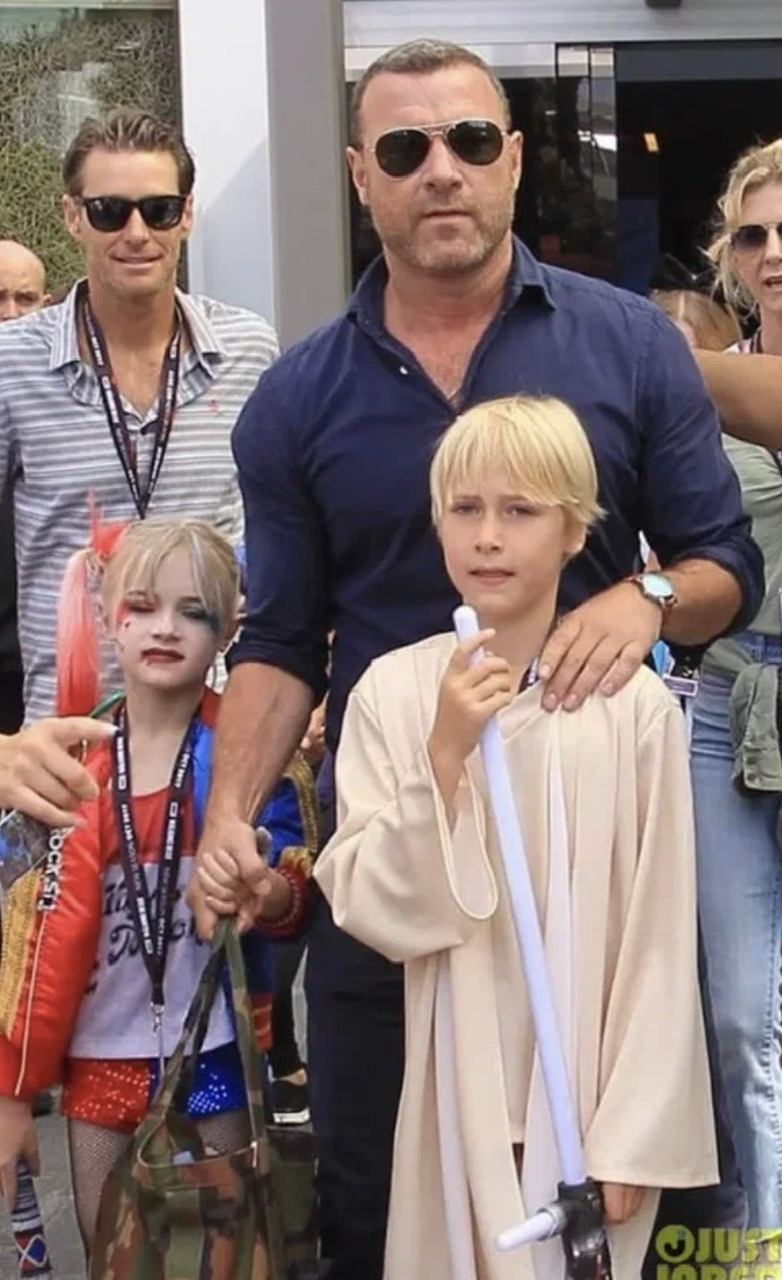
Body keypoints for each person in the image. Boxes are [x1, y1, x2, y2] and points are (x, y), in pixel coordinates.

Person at [190, 40, 761, 1278]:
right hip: (398, 831)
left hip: (578, 829)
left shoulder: (628, 346)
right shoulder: (297, 398)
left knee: (584, 1195)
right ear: (361, 175)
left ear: (511, 159)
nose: (438, 170)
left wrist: (647, 595)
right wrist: (227, 812)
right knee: (375, 1197)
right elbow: (279, 637)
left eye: (467, 140)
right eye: (404, 148)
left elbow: (723, 563)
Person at [314, 394, 717, 1280]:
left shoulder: (632, 709)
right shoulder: (394, 694)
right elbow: (370, 902)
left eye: (521, 510)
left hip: (589, 1096)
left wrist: (635, 1133)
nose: (488, 537)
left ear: (575, 532)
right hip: (456, 1091)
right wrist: (445, 755)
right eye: (465, 509)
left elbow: (657, 932)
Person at [0, 517, 316, 1257]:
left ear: (230, 627)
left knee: (230, 1251)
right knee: (108, 1249)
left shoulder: (251, 758)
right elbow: (19, 939)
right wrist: (11, 1091)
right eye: (142, 607)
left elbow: (301, 899)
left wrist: (266, 889)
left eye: (193, 611)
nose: (165, 628)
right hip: (97, 1057)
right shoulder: (62, 762)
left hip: (217, 1050)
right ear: (107, 616)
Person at [0, 106, 278, 724]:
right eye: (109, 211)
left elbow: (284, 535)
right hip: (71, 740)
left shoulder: (248, 350)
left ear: (187, 214)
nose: (136, 232)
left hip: (216, 736)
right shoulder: (12, 361)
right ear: (72, 216)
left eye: (158, 210)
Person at [686, 139, 782, 1230]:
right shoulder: (693, 391)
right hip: (726, 701)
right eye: (752, 233)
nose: (772, 252)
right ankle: (761, 1239)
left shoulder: (689, 376)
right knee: (737, 1015)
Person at [0, 240, 50, 737]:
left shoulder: (60, 409)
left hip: (42, 674)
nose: (11, 315)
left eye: (25, 299)